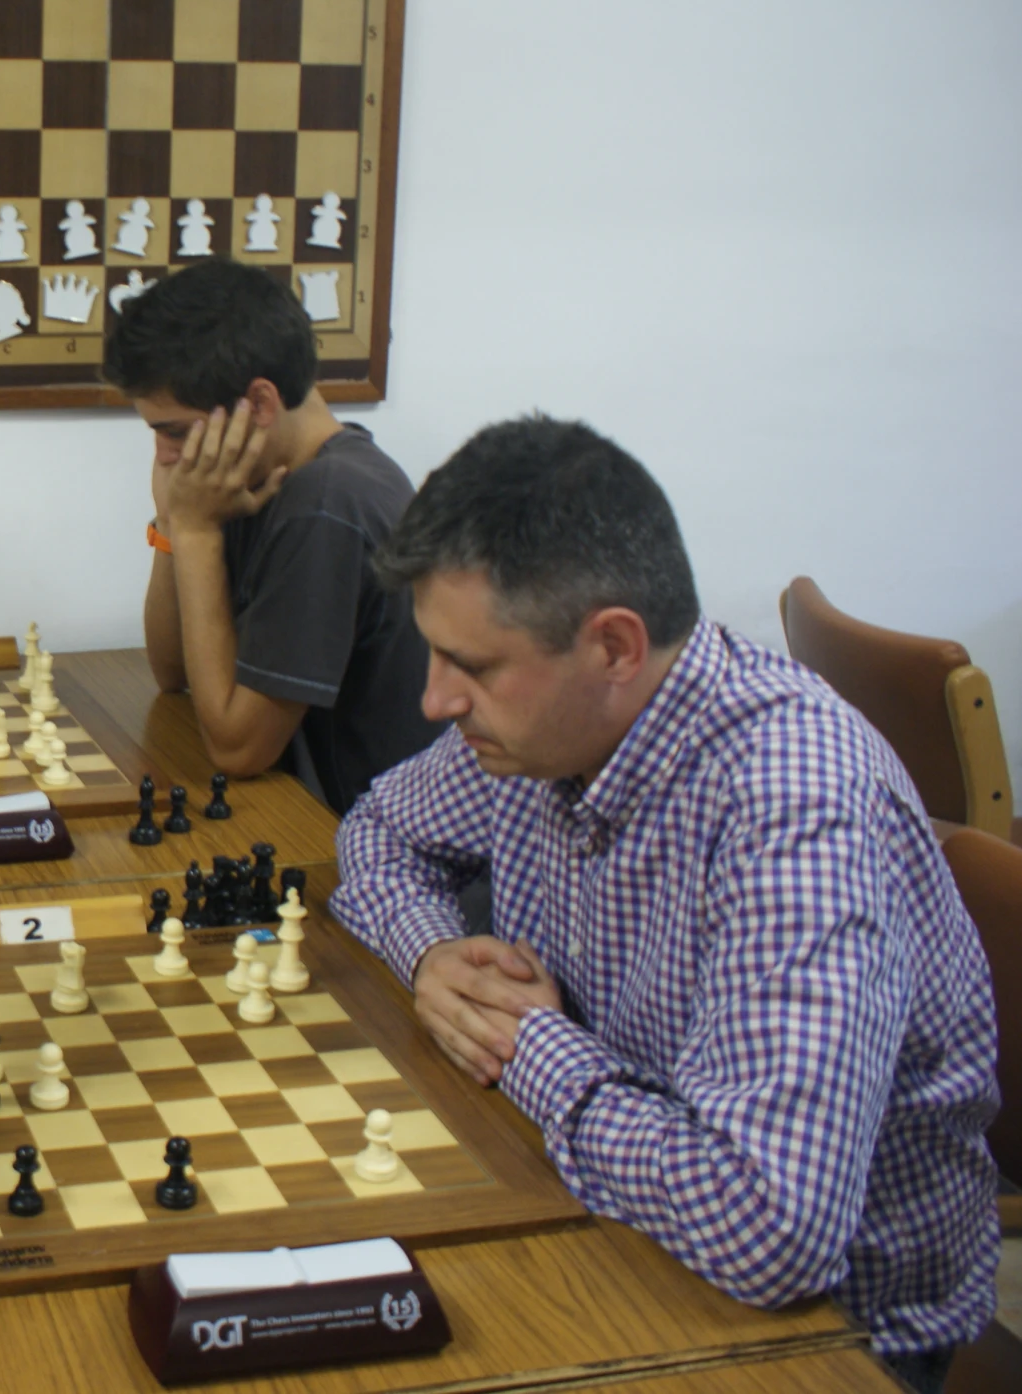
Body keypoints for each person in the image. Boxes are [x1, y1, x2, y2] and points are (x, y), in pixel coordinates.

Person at [328, 416, 997, 1394]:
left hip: (825, 1338)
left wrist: (523, 1042)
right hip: (603, 1198)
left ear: (611, 646)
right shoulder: (537, 729)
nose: (433, 700)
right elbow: (377, 832)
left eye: (467, 665)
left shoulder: (792, 815)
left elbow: (769, 1229)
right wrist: (435, 960)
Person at [102, 258, 441, 817]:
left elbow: (238, 748)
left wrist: (194, 531)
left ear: (258, 404)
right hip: (304, 818)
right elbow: (173, 673)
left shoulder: (329, 503)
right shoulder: (262, 477)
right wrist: (172, 522)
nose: (164, 456)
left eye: (176, 432)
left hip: (360, 856)